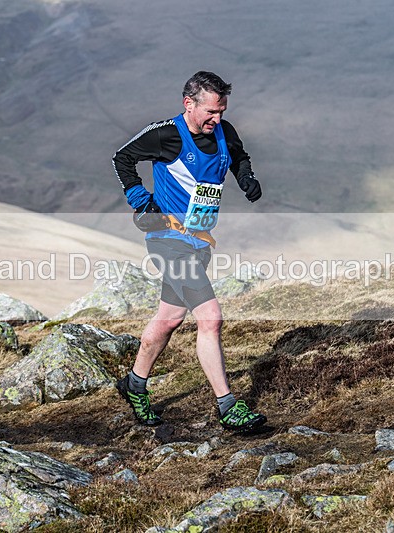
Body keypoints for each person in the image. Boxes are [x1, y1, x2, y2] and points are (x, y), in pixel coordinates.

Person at [112, 71, 266, 432]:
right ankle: (228, 406)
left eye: (222, 111)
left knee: (169, 319)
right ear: (189, 104)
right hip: (168, 241)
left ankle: (135, 382)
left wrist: (246, 178)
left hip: (200, 242)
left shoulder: (224, 132)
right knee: (210, 318)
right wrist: (140, 200)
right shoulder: (165, 135)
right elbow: (122, 158)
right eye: (211, 112)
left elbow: (240, 156)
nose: (217, 119)